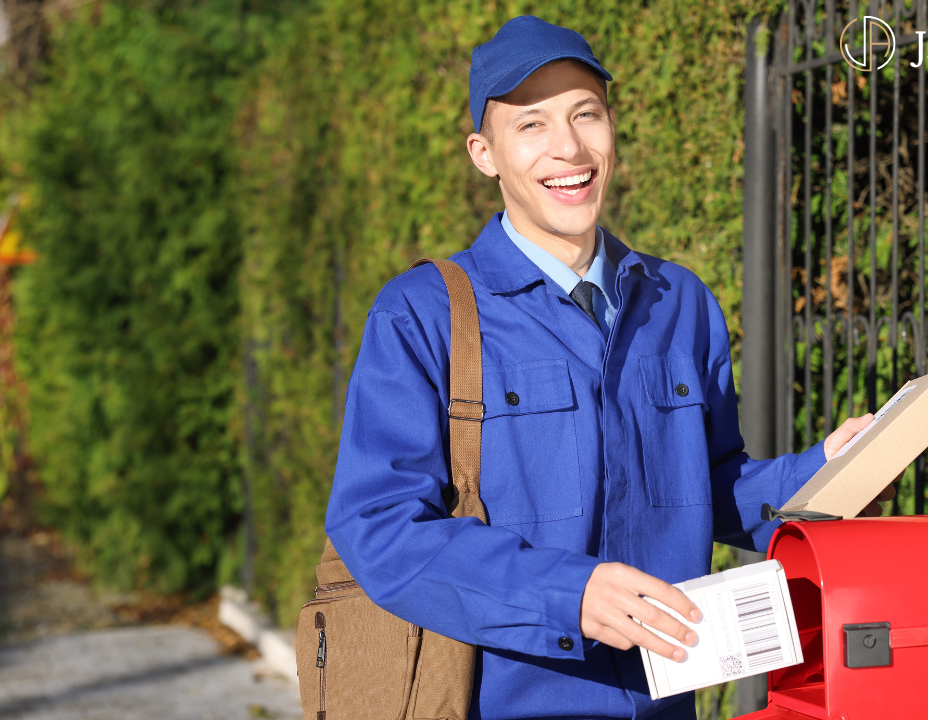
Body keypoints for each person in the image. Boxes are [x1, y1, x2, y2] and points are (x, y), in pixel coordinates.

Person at [325, 15, 895, 720]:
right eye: (531, 124)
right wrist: (569, 594)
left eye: (585, 114)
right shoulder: (422, 313)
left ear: (613, 129)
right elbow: (378, 528)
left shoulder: (679, 299)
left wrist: (820, 474)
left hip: (670, 703)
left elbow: (706, 487)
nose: (568, 147)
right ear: (484, 153)